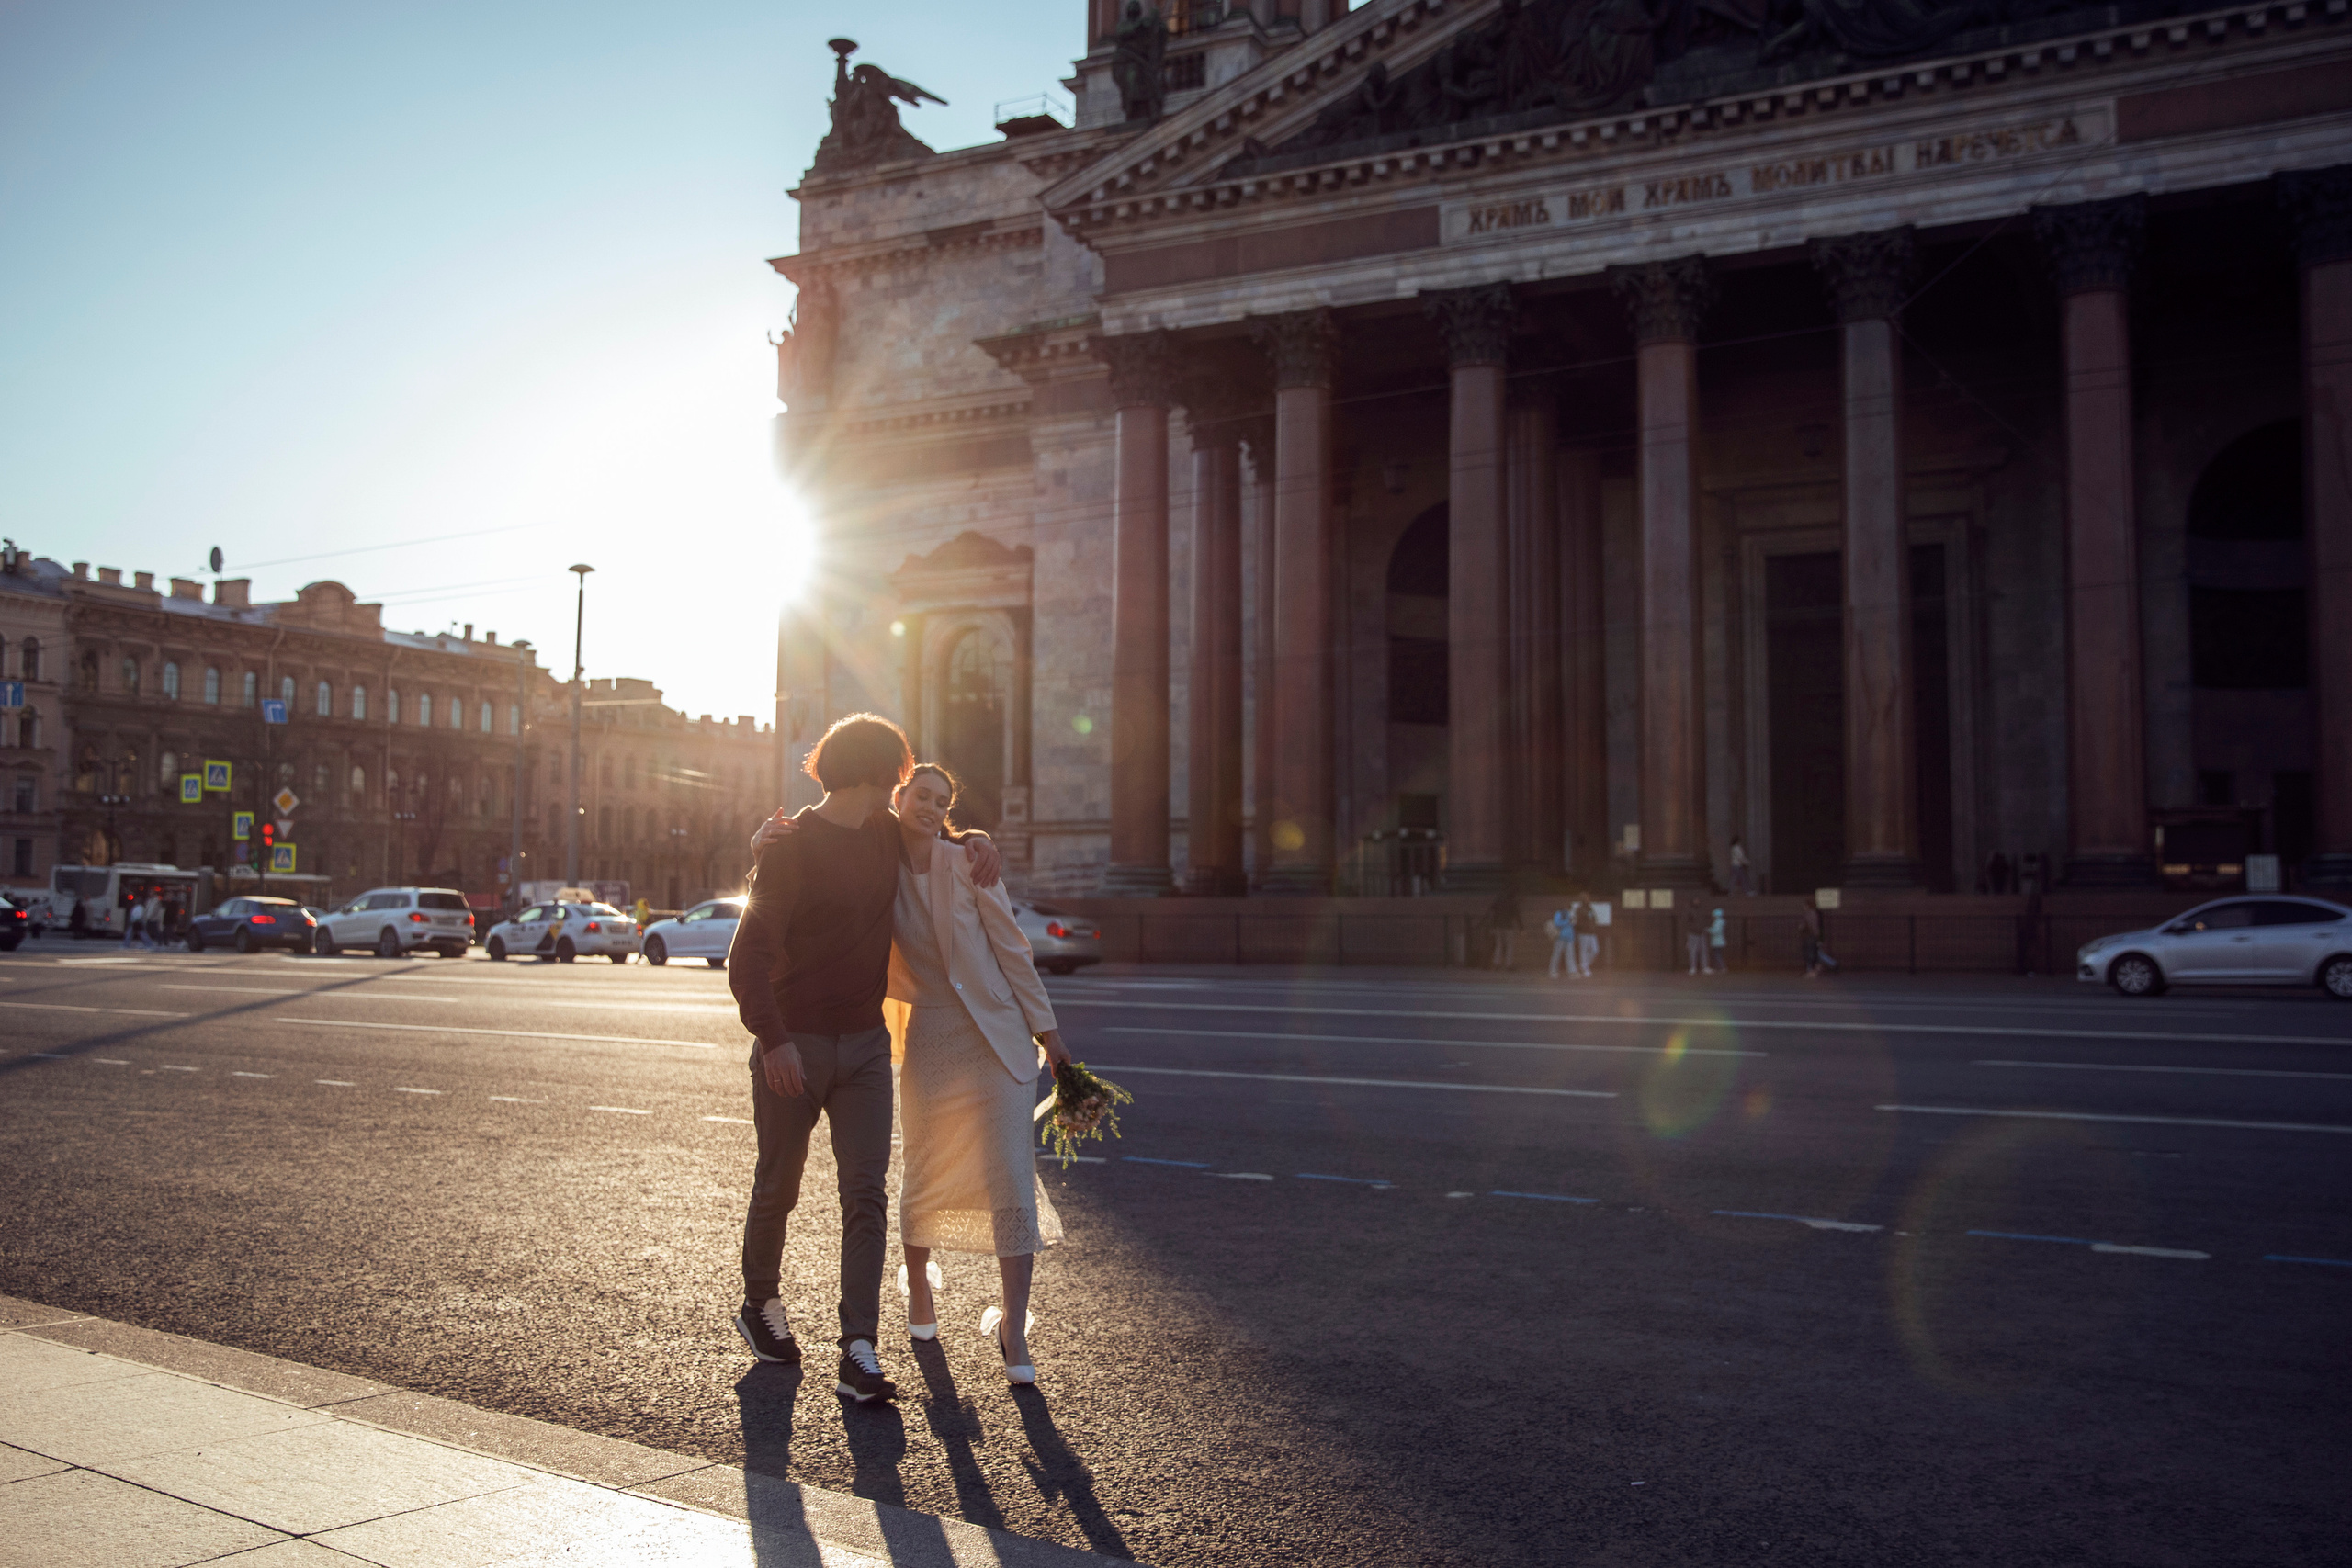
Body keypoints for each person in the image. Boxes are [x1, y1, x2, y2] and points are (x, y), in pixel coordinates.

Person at [724, 713, 1000, 1407]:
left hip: (866, 1046)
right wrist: (774, 1038)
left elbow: (935, 836)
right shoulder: (788, 848)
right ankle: (761, 1303)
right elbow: (747, 958)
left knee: (866, 1194)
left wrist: (977, 839)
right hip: (797, 1044)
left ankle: (858, 1348)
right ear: (878, 774)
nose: (902, 789)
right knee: (778, 1183)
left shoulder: (883, 831)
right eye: (897, 776)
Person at [884, 764, 1069, 1385]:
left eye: (942, 800)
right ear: (899, 797)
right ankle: (916, 1284)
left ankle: (1014, 1326)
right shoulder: (871, 861)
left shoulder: (966, 861)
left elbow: (1013, 948)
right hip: (932, 1036)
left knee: (1010, 1178)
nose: (931, 807)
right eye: (921, 796)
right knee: (925, 1169)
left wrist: (1052, 1036)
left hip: (998, 1035)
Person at [1488, 888, 1521, 972]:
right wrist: (1521, 928)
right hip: (1508, 926)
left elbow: (1492, 915)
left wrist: (1492, 926)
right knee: (1510, 945)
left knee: (1498, 945)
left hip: (1498, 926)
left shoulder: (1498, 902)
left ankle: (1496, 963)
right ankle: (1508, 964)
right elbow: (1517, 916)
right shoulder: (1512, 903)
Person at [1575, 896, 1600, 979]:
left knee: (1595, 950)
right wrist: (1583, 927)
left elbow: (1594, 918)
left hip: (1592, 933)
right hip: (1583, 933)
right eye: (1586, 899)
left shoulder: (1590, 908)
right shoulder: (1579, 909)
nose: (1588, 900)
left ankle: (1584, 965)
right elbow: (1578, 922)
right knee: (1584, 951)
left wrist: (1594, 926)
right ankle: (1585, 969)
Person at [1546, 905, 1574, 979]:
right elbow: (1557, 923)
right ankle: (1553, 970)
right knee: (1557, 954)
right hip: (1560, 936)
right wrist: (1567, 921)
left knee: (1570, 955)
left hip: (1569, 937)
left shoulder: (1570, 914)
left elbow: (1572, 926)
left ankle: (1572, 971)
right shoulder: (1559, 913)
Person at [1682, 901, 1709, 976]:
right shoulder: (1689, 911)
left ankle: (1704, 967)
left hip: (1701, 932)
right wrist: (1691, 928)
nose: (1697, 902)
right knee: (1693, 951)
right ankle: (1693, 968)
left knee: (1703, 951)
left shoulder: (1701, 911)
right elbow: (1686, 921)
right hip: (1693, 933)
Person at [1707, 906, 1727, 974]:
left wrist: (1708, 929)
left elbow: (1716, 931)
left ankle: (1722, 967)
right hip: (1719, 941)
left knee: (1717, 955)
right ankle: (1719, 967)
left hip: (1717, 941)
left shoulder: (1718, 922)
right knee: (1717, 955)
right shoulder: (1721, 922)